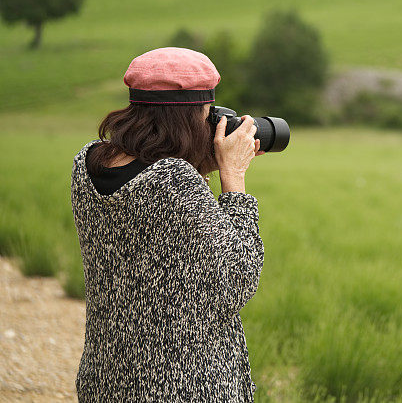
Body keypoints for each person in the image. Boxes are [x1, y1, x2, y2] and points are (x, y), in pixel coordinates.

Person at [70, 47, 266, 402]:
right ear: (191, 116)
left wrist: (202, 165)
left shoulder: (87, 162)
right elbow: (239, 278)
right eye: (208, 114)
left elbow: (152, 210)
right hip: (181, 386)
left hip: (108, 378)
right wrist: (233, 175)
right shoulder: (174, 181)